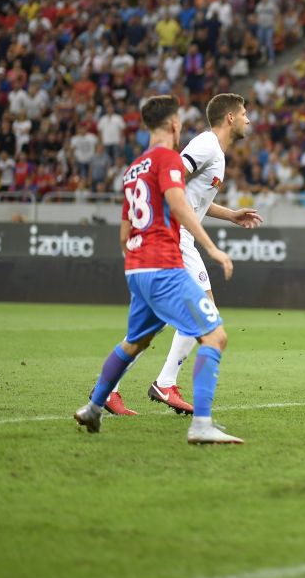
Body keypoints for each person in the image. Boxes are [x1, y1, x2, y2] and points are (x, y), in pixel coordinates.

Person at [73, 95, 241, 444]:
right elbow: (178, 202)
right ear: (174, 125)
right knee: (214, 335)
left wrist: (139, 258)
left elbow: (124, 233)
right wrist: (212, 248)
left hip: (137, 267)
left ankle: (94, 406)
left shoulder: (135, 168)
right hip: (166, 259)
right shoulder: (171, 158)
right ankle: (199, 424)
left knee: (136, 341)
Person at [103, 93, 262, 417]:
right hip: (175, 237)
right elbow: (171, 183)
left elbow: (190, 198)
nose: (248, 119)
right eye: (244, 113)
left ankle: (115, 389)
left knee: (160, 321)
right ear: (230, 118)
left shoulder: (215, 152)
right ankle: (164, 384)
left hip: (179, 236)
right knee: (204, 312)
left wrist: (231, 215)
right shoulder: (206, 145)